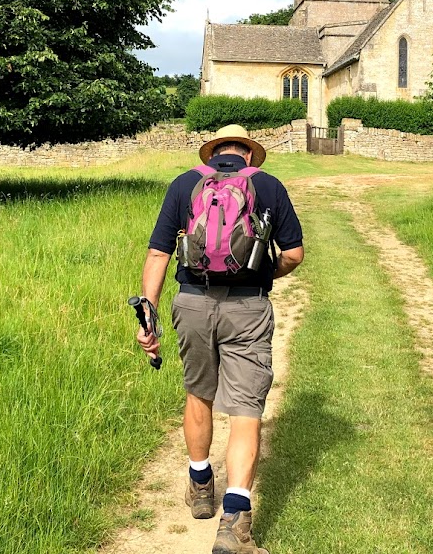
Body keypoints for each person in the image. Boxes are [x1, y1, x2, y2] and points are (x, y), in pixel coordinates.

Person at [137, 124, 304, 554]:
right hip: (248, 307)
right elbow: (293, 253)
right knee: (246, 409)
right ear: (248, 153)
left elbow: (159, 251)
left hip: (191, 303)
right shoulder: (266, 186)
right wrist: (266, 272)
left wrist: (148, 316)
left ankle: (199, 487)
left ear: (214, 154)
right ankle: (235, 527)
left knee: (198, 392)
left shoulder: (184, 184)